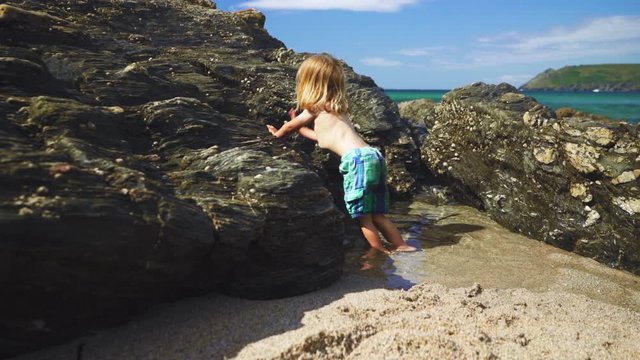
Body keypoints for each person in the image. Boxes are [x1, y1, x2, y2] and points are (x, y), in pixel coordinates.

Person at [266, 53, 417, 254]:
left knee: (363, 216)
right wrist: (300, 128)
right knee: (378, 214)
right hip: (373, 156)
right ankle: (402, 245)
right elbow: (323, 138)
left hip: (356, 161)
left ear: (308, 84)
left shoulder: (315, 107)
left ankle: (378, 251)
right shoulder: (338, 109)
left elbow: (292, 125)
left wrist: (278, 134)